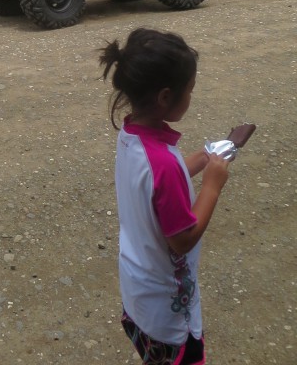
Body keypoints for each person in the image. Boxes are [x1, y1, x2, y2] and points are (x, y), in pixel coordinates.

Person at [99, 27, 230, 365]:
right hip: (168, 310)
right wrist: (212, 186)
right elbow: (182, 239)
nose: (191, 97)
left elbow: (155, 191)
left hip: (138, 294)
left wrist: (202, 160)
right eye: (190, 91)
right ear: (165, 97)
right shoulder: (163, 164)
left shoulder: (131, 137)